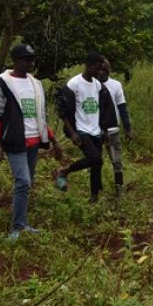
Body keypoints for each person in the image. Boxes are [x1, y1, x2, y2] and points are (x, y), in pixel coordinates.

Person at [0, 44, 63, 241]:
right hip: (14, 141)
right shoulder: (1, 83)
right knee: (23, 181)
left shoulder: (35, 83)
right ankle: (17, 227)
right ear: (15, 61)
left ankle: (22, 224)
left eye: (32, 59)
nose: (31, 63)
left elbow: (40, 116)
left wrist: (53, 139)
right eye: (26, 59)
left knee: (26, 183)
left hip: (33, 141)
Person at [55, 52, 108, 202]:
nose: (99, 72)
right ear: (88, 65)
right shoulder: (74, 84)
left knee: (97, 164)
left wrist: (104, 131)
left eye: (101, 69)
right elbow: (63, 111)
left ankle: (94, 197)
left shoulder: (97, 85)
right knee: (94, 158)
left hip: (95, 130)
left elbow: (101, 109)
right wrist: (72, 133)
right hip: (81, 129)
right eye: (97, 68)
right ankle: (65, 171)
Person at [97, 59, 133, 196]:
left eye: (104, 70)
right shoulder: (93, 85)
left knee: (116, 160)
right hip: (97, 130)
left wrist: (128, 129)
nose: (101, 73)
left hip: (113, 130)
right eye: (99, 70)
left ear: (108, 71)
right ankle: (98, 188)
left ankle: (119, 188)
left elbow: (122, 107)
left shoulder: (116, 85)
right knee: (97, 160)